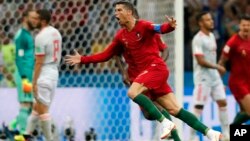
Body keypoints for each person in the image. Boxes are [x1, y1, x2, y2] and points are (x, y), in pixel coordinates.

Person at [65, 1, 221, 140]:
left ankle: (165, 123)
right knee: (174, 109)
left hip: (156, 69)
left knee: (133, 93)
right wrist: (83, 59)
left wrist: (170, 26)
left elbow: (159, 28)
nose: (115, 14)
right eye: (115, 10)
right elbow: (106, 54)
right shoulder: (121, 36)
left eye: (119, 10)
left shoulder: (144, 25)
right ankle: (210, 133)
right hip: (144, 76)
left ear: (129, 12)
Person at [113, 7, 181, 141]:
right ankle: (168, 128)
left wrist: (158, 64)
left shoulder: (150, 33)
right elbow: (116, 54)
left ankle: (174, 136)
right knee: (148, 114)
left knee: (162, 105)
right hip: (135, 77)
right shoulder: (122, 36)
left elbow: (165, 50)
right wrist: (123, 72)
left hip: (151, 75)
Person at [16, 9, 62, 141]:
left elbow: (39, 62)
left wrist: (34, 82)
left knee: (43, 111)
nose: (33, 21)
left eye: (36, 18)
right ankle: (25, 136)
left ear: (43, 20)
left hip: (44, 74)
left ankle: (50, 139)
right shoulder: (56, 32)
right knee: (36, 107)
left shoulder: (40, 37)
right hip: (54, 72)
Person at [189, 11, 229, 141]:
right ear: (201, 23)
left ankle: (226, 135)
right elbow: (200, 61)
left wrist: (217, 69)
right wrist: (218, 66)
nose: (211, 21)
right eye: (207, 20)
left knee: (223, 102)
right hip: (203, 79)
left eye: (211, 19)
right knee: (198, 107)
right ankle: (192, 136)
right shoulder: (198, 39)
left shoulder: (212, 35)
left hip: (214, 77)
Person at [218, 15, 250, 125]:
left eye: (248, 25)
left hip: (248, 81)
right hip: (238, 83)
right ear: (239, 26)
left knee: (244, 112)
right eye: (243, 25)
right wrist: (219, 82)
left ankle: (231, 134)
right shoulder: (233, 42)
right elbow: (222, 61)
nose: (246, 27)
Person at [11, 9, 38, 133]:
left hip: (28, 74)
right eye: (32, 18)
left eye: (36, 18)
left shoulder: (27, 34)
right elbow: (19, 57)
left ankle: (12, 126)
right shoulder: (21, 35)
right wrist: (24, 77)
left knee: (31, 106)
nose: (34, 21)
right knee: (26, 104)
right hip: (24, 75)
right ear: (25, 18)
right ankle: (21, 133)